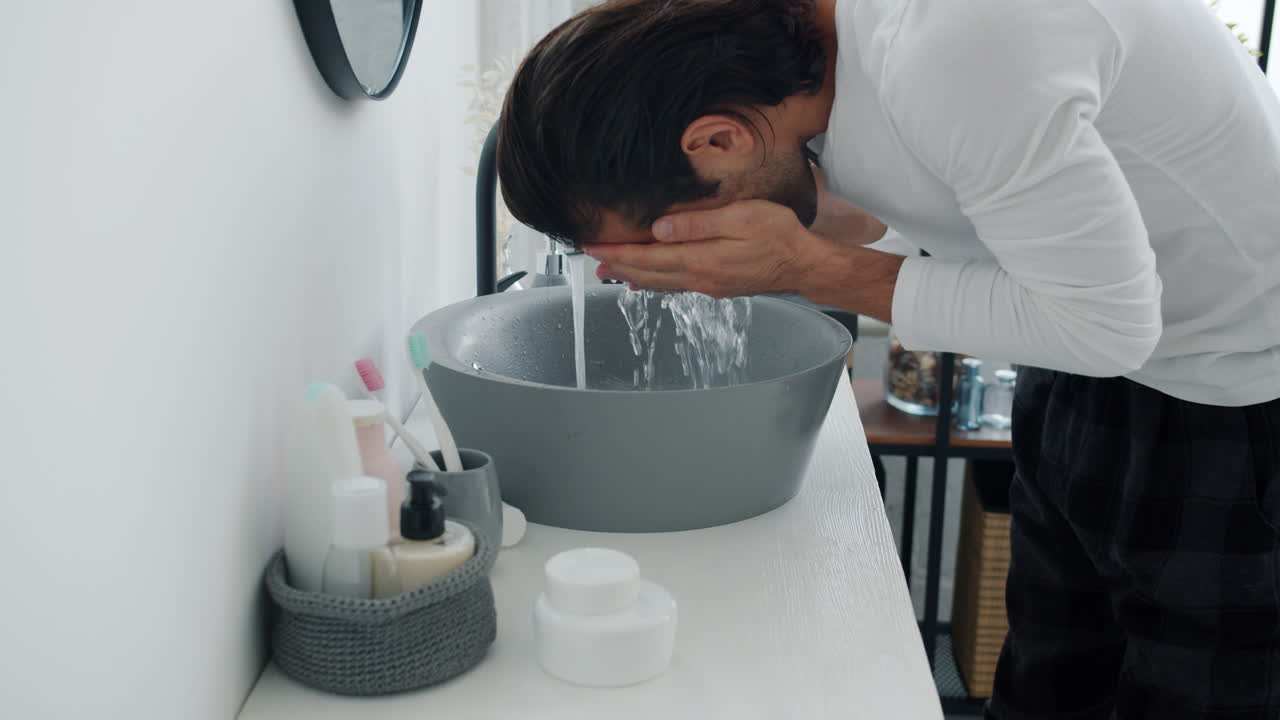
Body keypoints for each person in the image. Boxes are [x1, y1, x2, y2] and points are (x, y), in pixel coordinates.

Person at [494, 1, 1280, 717]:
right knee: (1050, 679)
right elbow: (964, 208)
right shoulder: (821, 59)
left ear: (718, 138)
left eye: (668, 234)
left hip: (1240, 388)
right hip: (1087, 367)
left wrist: (800, 265)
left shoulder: (960, 47)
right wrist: (825, 230)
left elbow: (1111, 325)